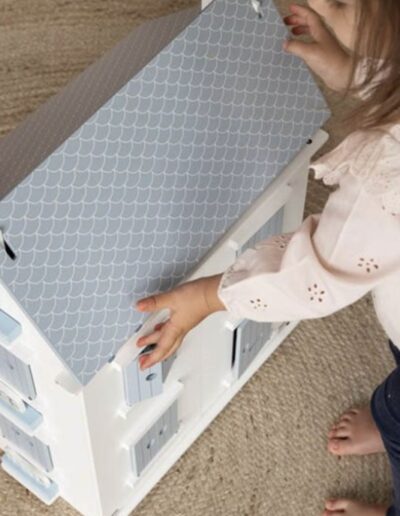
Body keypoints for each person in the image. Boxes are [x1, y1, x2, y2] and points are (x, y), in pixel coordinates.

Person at [134, 1, 400, 514]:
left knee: (397, 416)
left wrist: (207, 297)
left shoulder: (388, 177)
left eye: (340, 3)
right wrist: (354, 72)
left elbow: (314, 273)